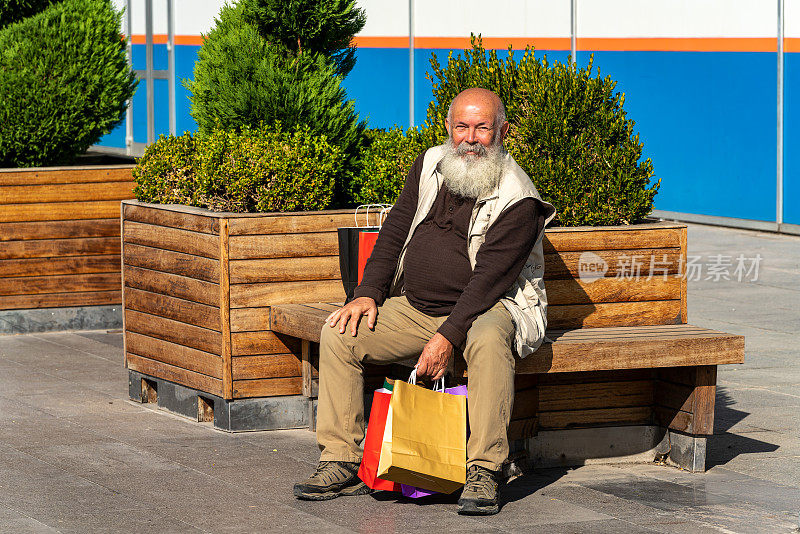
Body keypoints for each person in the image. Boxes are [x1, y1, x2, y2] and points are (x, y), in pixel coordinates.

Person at [293, 88, 556, 515]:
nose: (470, 138)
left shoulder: (519, 198)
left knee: (489, 343)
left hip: (489, 308)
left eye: (483, 128)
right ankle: (340, 460)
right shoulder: (432, 162)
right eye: (462, 127)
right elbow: (396, 226)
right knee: (340, 332)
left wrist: (446, 337)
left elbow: (491, 280)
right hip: (415, 305)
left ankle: (485, 469)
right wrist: (366, 294)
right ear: (449, 128)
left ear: (503, 131)